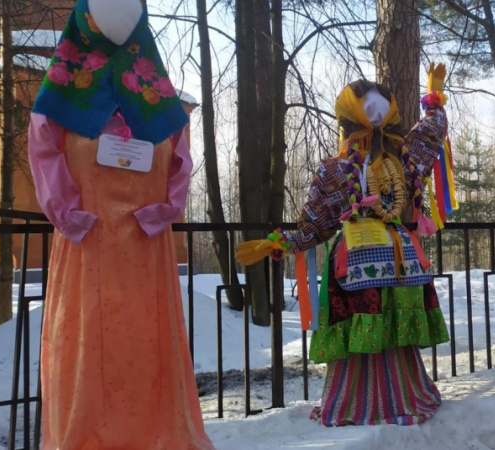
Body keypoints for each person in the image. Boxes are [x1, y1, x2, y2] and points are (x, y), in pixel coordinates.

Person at [29, 0, 213, 448]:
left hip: (145, 249)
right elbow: (44, 156)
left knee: (145, 344)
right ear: (85, 19)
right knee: (87, 345)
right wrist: (68, 213)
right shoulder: (57, 100)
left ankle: (153, 432)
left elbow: (181, 161)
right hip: (87, 245)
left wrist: (165, 209)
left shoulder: (160, 101)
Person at [235, 65, 451, 426]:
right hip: (396, 260)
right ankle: (396, 395)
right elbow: (432, 132)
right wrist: (433, 102)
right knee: (388, 324)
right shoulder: (402, 159)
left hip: (362, 261)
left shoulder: (341, 168)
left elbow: (315, 225)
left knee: (370, 323)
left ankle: (365, 399)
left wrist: (283, 243)